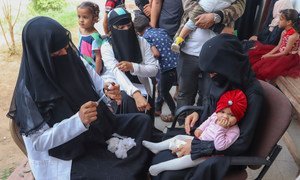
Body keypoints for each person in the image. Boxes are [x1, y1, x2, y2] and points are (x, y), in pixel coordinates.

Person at [7, 16, 152, 179]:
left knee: (143, 122)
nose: (64, 53)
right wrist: (78, 121)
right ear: (39, 53)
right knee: (118, 174)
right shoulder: (28, 91)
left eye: (65, 47)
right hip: (66, 154)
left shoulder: (70, 58)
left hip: (96, 130)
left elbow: (98, 83)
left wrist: (109, 89)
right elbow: (39, 142)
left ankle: (133, 165)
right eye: (56, 52)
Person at [151, 34, 264, 180]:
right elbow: (212, 107)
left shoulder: (253, 94)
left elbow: (242, 143)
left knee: (170, 174)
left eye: (213, 72)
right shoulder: (223, 79)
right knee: (165, 153)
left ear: (228, 65)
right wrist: (198, 113)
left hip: (225, 151)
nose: (211, 77)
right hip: (207, 135)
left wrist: (197, 147)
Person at [143, 89, 247, 176]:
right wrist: (200, 129)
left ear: (238, 118)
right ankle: (157, 147)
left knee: (188, 160)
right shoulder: (216, 115)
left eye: (231, 115)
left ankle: (160, 167)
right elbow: (207, 121)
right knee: (179, 137)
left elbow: (220, 146)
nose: (225, 116)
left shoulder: (234, 131)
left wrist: (221, 128)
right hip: (199, 140)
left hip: (207, 154)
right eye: (223, 112)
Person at [175, 0, 246, 112]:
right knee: (184, 93)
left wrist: (216, 17)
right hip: (189, 50)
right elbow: (188, 5)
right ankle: (182, 124)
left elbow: (240, 7)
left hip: (217, 54)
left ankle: (202, 125)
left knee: (208, 95)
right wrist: (206, 18)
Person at [101, 7, 159, 116]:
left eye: (128, 25)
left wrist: (133, 66)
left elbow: (154, 69)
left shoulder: (141, 42)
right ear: (112, 28)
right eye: (121, 27)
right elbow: (116, 72)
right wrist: (135, 93)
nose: (126, 30)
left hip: (144, 88)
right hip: (121, 93)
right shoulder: (107, 47)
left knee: (148, 121)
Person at [133, 15, 178, 122]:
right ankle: (157, 109)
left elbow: (156, 54)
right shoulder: (161, 30)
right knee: (163, 87)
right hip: (177, 63)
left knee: (163, 91)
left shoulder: (145, 38)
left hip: (166, 68)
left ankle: (175, 113)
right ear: (148, 23)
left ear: (138, 32)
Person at [249, 9, 300, 81]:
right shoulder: (284, 32)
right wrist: (268, 53)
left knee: (265, 70)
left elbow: (285, 53)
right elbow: (278, 46)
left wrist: (269, 56)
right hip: (280, 52)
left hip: (288, 57)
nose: (279, 21)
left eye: (281, 19)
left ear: (289, 22)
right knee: (255, 56)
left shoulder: (293, 36)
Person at [171, 0, 236, 53]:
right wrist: (217, 27)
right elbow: (189, 4)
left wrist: (218, 16)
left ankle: (179, 40)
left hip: (218, 52)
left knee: (191, 23)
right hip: (189, 51)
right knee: (191, 23)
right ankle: (178, 40)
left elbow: (240, 5)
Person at [77, 1, 103, 74]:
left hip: (93, 68)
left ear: (94, 19)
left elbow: (98, 58)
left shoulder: (95, 37)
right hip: (83, 64)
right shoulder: (80, 30)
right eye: (79, 16)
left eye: (85, 17)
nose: (81, 20)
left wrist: (96, 75)